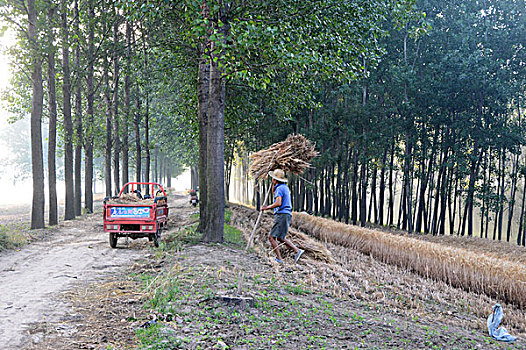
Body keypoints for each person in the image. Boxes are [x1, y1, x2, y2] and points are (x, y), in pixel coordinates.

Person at [260, 169, 304, 264]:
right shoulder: (284, 187)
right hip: (287, 214)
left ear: (275, 180)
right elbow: (277, 197)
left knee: (271, 237)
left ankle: (279, 259)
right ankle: (297, 250)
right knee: (280, 237)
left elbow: (278, 203)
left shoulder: (279, 189)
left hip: (282, 214)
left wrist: (266, 207)